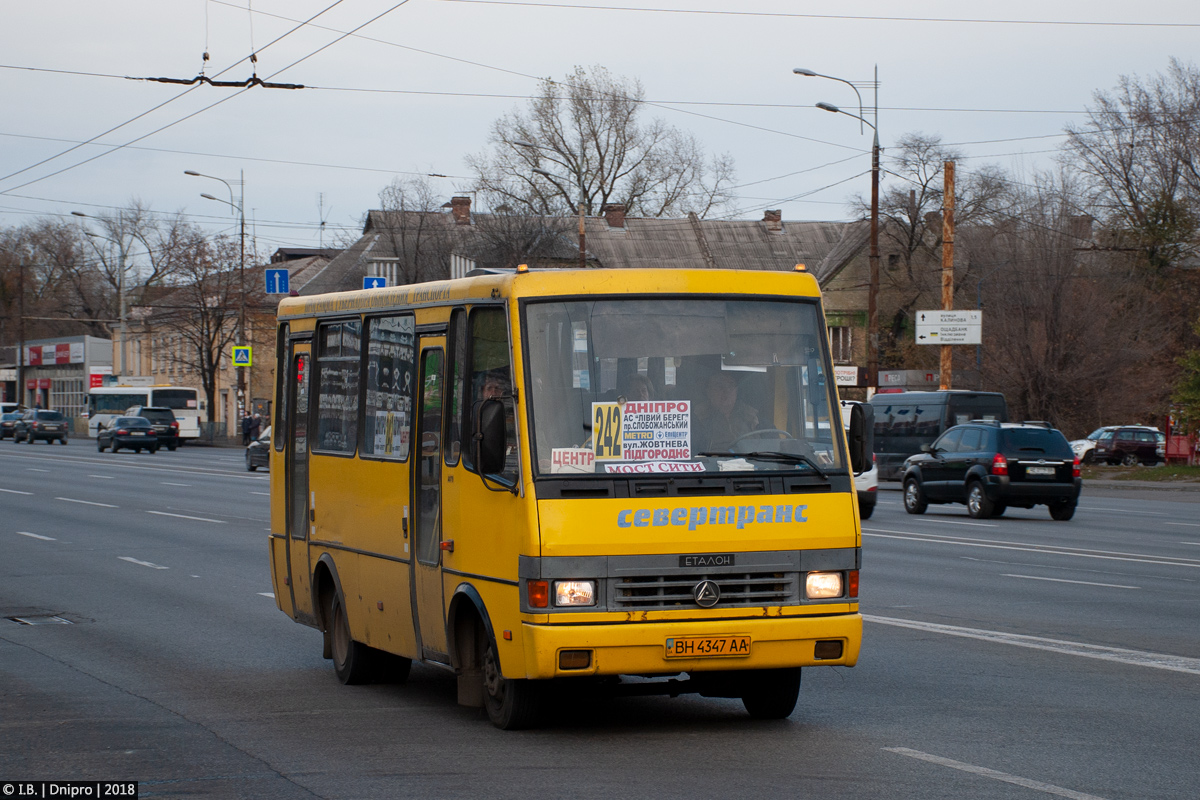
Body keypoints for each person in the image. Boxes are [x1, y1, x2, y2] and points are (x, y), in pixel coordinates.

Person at [697, 371, 759, 451]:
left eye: (731, 385)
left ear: (737, 391)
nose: (726, 392)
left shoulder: (753, 418)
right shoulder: (696, 419)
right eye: (719, 386)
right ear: (708, 391)